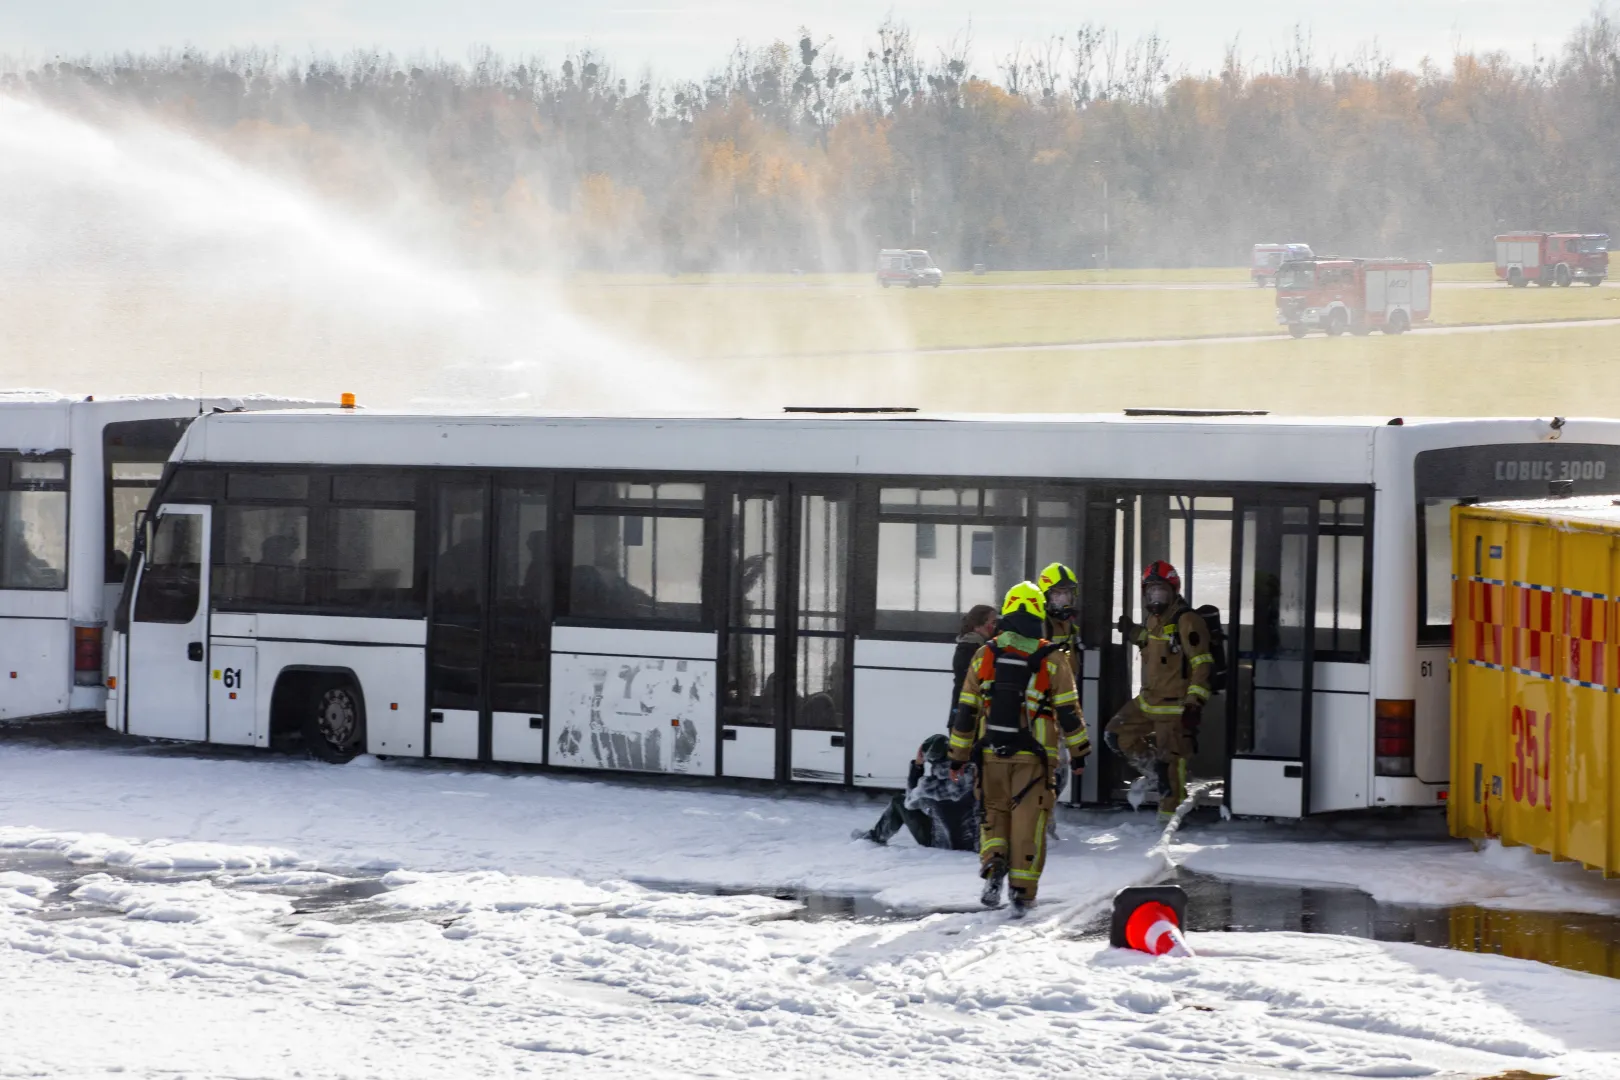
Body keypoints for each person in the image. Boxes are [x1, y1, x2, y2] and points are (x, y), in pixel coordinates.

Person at [948, 581, 1089, 916]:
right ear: (1038, 612)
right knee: (1029, 822)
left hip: (991, 754)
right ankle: (1022, 894)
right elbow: (1069, 711)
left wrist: (957, 757)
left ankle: (994, 863)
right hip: (1035, 759)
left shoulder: (985, 654)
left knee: (993, 814)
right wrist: (1080, 752)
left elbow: (966, 710)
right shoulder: (1052, 658)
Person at [1104, 561, 1214, 820]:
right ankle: (1154, 770)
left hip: (1174, 707)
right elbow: (1149, 642)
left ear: (1173, 590)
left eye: (1161, 591)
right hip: (1147, 701)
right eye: (1151, 591)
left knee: (1170, 764)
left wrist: (1193, 703)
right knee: (1115, 734)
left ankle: (1168, 823)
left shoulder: (1187, 620)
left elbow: (1202, 663)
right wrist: (1131, 631)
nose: (1155, 597)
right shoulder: (1154, 620)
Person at [853, 734, 977, 850]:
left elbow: (909, 802)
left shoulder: (929, 787)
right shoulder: (973, 775)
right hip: (974, 844)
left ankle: (874, 837)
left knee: (899, 802)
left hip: (941, 844)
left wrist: (917, 766)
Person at [1036, 562, 1087, 814]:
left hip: (1064, 704)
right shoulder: (1041, 626)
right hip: (1045, 708)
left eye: (1067, 594)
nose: (1064, 600)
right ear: (1046, 597)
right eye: (1057, 594)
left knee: (1060, 766)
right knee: (1046, 765)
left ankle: (1045, 816)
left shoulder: (1068, 626)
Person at [949, 604, 997, 727]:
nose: (995, 627)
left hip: (963, 714)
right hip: (966, 717)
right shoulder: (970, 649)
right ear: (977, 626)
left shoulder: (969, 646)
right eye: (993, 622)